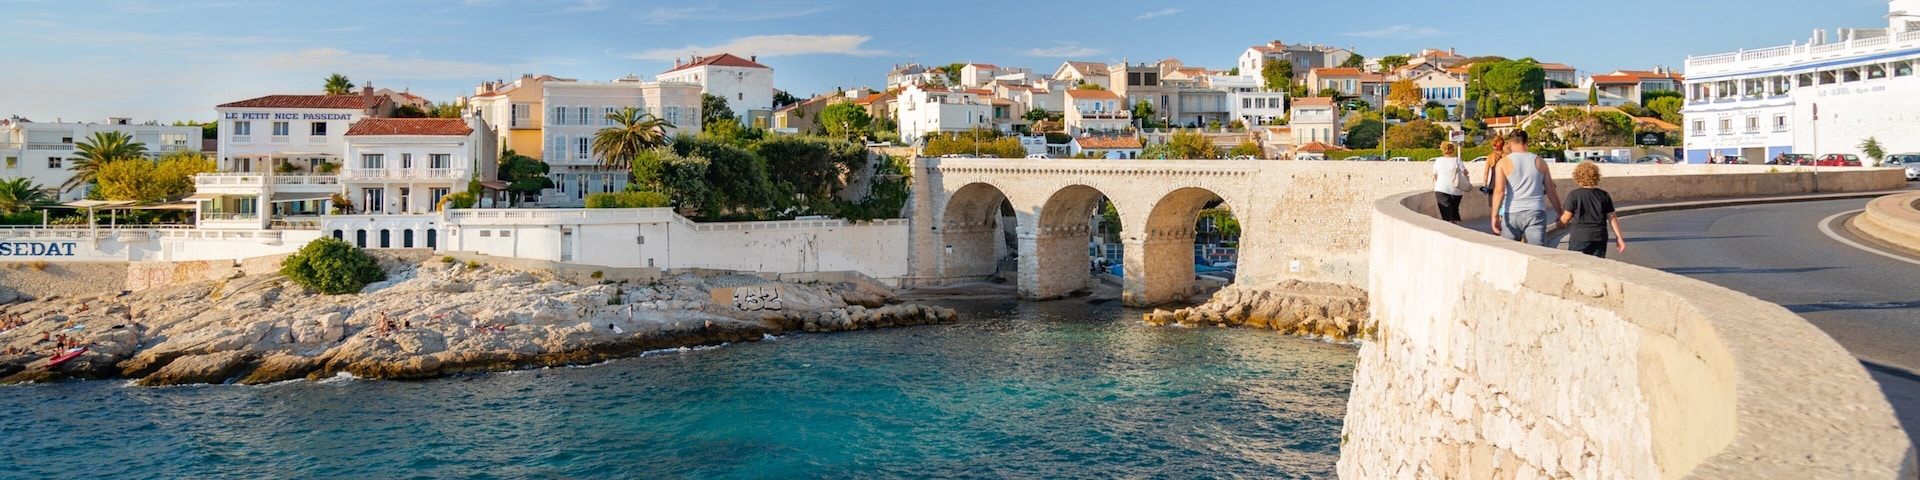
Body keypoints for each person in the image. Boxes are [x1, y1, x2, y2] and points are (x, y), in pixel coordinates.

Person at [1489, 131, 1564, 247]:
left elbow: (1499, 191)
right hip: (1536, 211)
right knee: (1537, 252)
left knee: (1510, 252)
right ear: (1527, 143)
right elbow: (1550, 190)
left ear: (1510, 143)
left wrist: (1495, 217)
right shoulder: (1540, 161)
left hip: (1512, 212)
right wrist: (1559, 212)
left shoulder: (1503, 163)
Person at [1560, 163, 1627, 258]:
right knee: (1597, 266)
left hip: (1580, 236)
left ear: (1577, 177)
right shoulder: (1604, 195)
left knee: (1579, 266)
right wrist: (1619, 238)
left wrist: (1560, 223)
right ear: (1596, 177)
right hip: (1599, 236)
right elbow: (1612, 217)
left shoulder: (1574, 195)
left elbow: (1567, 217)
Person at [1430, 143, 1467, 224]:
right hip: (1456, 189)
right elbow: (1465, 172)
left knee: (1446, 212)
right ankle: (1455, 226)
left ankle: (1450, 229)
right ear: (1453, 150)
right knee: (1454, 211)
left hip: (1441, 188)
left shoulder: (1438, 160)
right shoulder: (1457, 160)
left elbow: (1435, 175)